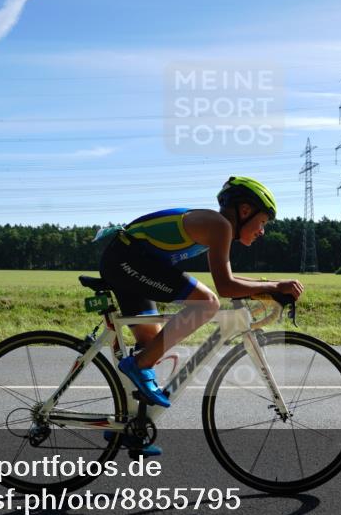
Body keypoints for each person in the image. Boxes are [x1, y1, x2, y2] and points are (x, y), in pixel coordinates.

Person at [98, 177, 304, 429]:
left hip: (128, 260)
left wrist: (271, 285)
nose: (262, 231)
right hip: (128, 260)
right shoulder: (219, 226)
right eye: (262, 222)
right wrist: (273, 287)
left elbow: (229, 278)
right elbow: (225, 287)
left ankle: (131, 427)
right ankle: (139, 365)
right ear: (245, 211)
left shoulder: (216, 227)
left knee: (152, 345)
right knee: (207, 303)